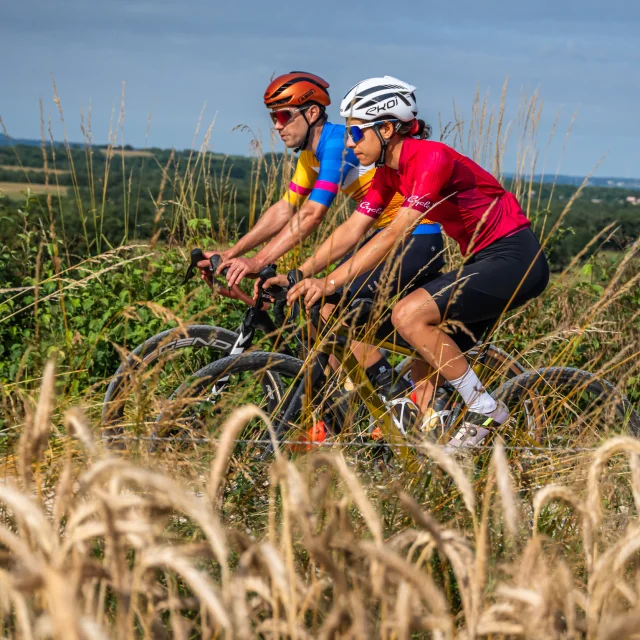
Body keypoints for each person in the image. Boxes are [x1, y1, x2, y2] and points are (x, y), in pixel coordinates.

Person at [286, 76, 550, 449]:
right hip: (483, 259)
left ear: (388, 128)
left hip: (514, 257)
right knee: (422, 371)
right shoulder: (388, 174)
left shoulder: (430, 157)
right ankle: (435, 461)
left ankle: (483, 406)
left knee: (408, 314)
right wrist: (300, 274)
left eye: (356, 132)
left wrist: (328, 284)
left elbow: (392, 234)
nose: (349, 142)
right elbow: (352, 229)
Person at [200, 72, 444, 394]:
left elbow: (313, 214)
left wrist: (258, 261)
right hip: (384, 237)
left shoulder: (337, 146)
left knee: (333, 312)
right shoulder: (310, 155)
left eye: (284, 115)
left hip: (412, 237)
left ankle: (393, 399)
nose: (277, 125)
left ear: (312, 113)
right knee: (319, 315)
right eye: (273, 117)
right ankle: (337, 405)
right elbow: (285, 208)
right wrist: (233, 255)